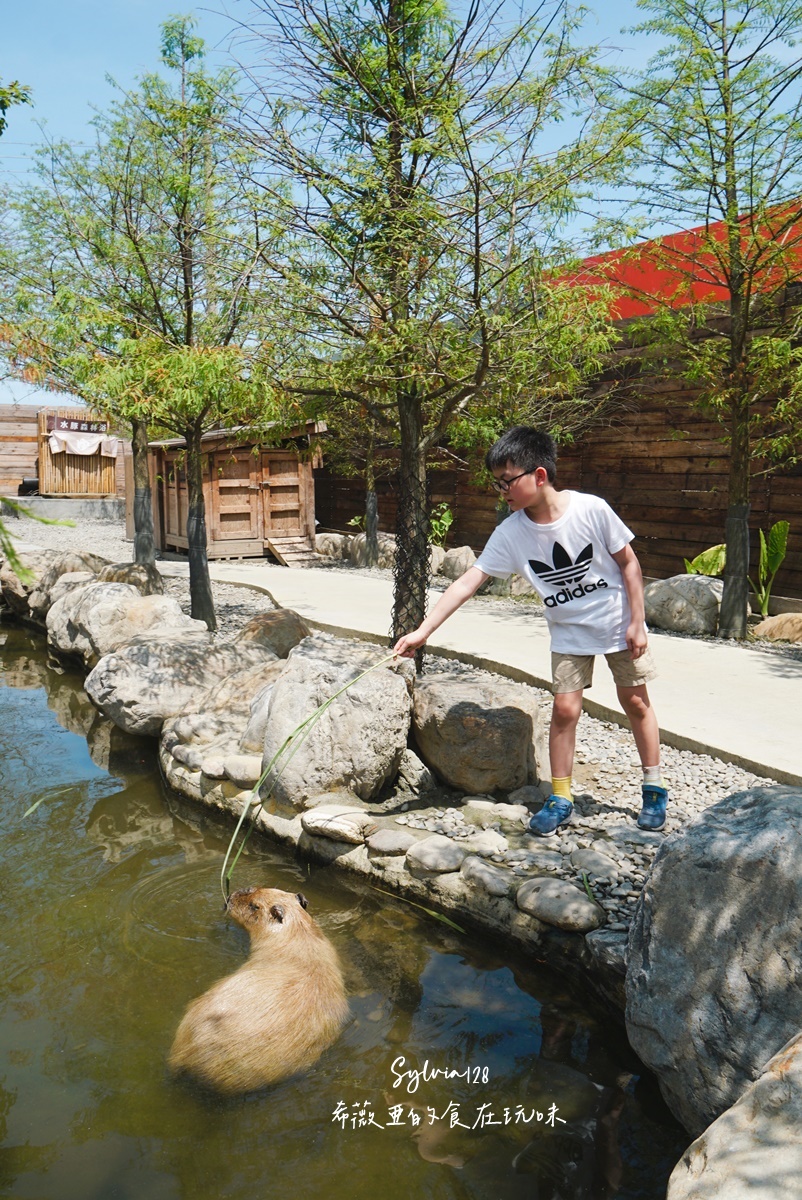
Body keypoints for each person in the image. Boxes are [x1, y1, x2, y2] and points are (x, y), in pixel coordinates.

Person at [393, 426, 668, 836]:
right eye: (496, 483)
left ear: (539, 476)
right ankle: (560, 797)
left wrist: (637, 621)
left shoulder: (591, 510)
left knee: (636, 702)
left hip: (617, 624)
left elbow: (629, 563)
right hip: (568, 633)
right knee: (564, 711)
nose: (501, 491)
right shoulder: (511, 532)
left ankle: (653, 787)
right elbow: (469, 582)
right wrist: (423, 631)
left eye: (508, 481)